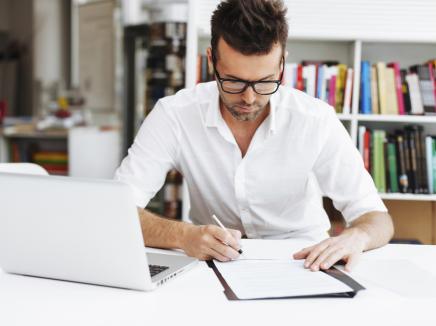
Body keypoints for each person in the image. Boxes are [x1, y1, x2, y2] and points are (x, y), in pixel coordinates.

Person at [115, 0, 394, 272]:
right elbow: (118, 209)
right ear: (212, 60)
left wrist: (356, 237)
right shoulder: (174, 115)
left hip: (303, 264)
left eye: (264, 82)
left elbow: (377, 218)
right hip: (213, 265)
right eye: (234, 81)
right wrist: (184, 236)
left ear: (282, 64)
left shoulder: (315, 119)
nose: (249, 98)